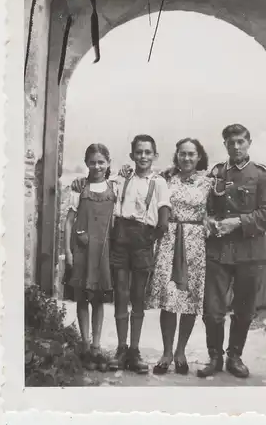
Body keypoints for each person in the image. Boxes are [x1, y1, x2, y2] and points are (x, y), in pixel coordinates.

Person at [72, 134, 171, 374]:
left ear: (155, 155)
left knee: (138, 298)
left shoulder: (158, 182)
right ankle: (120, 348)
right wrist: (79, 181)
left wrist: (150, 239)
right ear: (131, 156)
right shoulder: (120, 179)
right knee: (121, 294)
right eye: (139, 152)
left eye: (148, 152)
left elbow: (164, 218)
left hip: (143, 240)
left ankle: (134, 351)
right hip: (120, 240)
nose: (143, 156)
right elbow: (97, 181)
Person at [197, 124, 266, 379]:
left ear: (249, 142)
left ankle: (235, 356)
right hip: (219, 252)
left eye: (241, 142)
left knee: (244, 309)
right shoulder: (217, 172)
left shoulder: (261, 175)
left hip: (250, 252)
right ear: (225, 145)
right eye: (231, 143)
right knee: (212, 309)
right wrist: (209, 221)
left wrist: (239, 222)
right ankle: (214, 357)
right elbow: (206, 207)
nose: (236, 147)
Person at [145, 138, 212, 375]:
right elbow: (142, 179)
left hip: (195, 243)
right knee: (170, 298)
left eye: (191, 154)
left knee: (189, 298)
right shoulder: (166, 178)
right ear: (177, 156)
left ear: (199, 156)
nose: (187, 158)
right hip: (169, 240)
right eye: (182, 154)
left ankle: (181, 351)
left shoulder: (209, 183)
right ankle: (166, 352)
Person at [64, 143, 116, 372]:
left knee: (98, 299)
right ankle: (84, 345)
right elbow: (68, 222)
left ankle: (96, 346)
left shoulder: (114, 187)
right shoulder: (79, 189)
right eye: (92, 162)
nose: (97, 166)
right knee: (83, 297)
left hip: (103, 252)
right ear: (86, 163)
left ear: (108, 164)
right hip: (82, 250)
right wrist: (67, 250)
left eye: (101, 162)